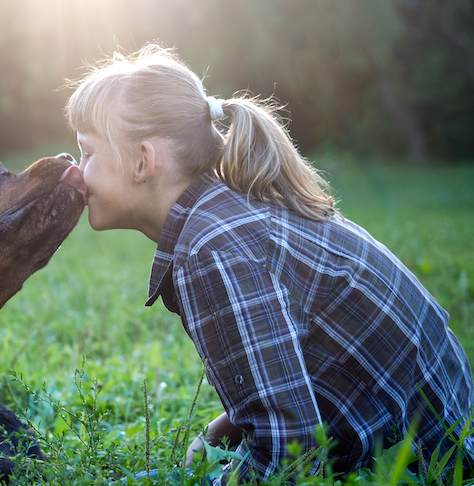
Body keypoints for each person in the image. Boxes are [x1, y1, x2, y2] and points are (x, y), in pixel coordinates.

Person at [63, 44, 474, 483]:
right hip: (444, 432)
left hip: (433, 465)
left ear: (143, 161)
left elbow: (290, 459)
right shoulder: (224, 216)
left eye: (87, 152)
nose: (75, 172)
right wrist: (216, 435)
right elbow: (287, 366)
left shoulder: (214, 248)